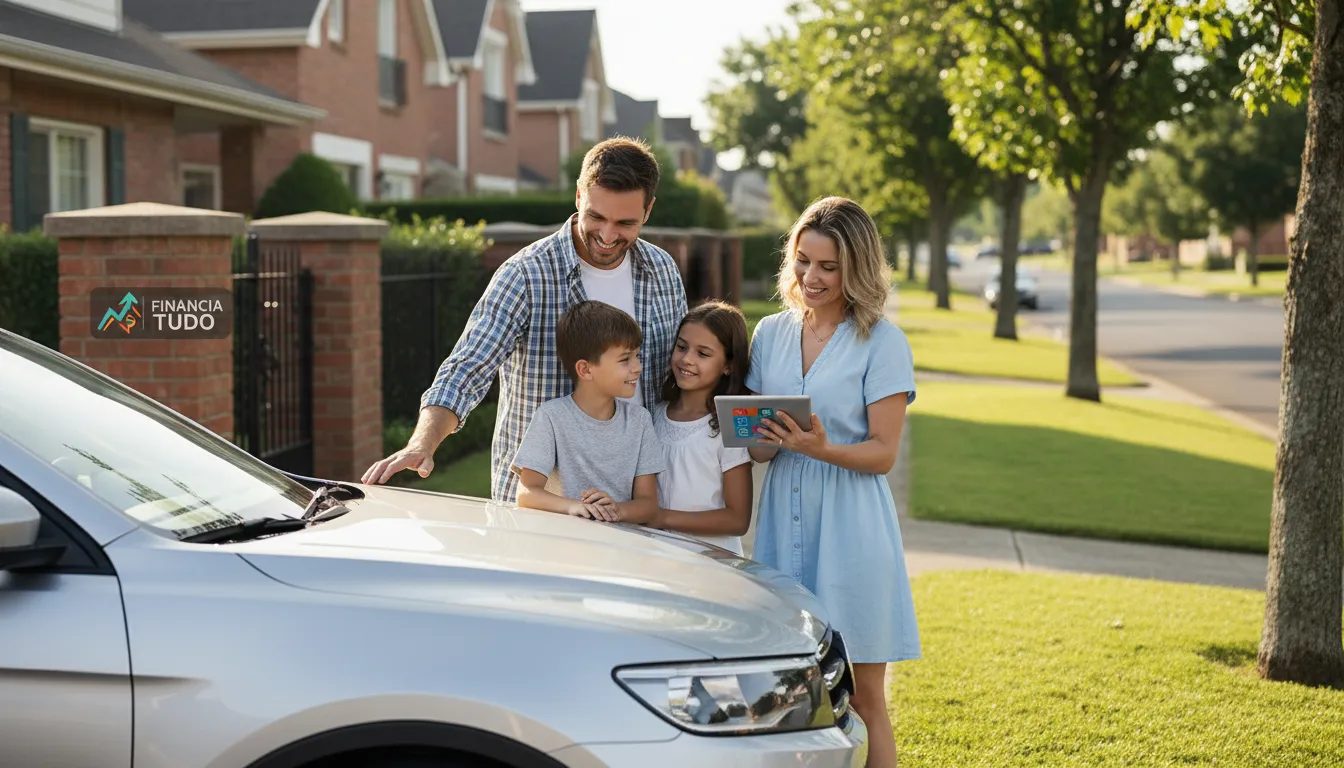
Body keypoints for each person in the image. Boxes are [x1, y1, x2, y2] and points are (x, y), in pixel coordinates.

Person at [360, 137, 688, 503]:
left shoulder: (662, 271)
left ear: (648, 211)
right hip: (544, 505)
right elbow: (468, 367)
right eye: (597, 216)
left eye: (625, 222)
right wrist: (423, 442)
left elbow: (677, 377)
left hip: (637, 501)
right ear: (579, 196)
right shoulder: (526, 274)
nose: (608, 236)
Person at [745, 196, 918, 768]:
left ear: (856, 268)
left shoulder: (882, 341)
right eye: (802, 261)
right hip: (780, 525)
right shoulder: (769, 334)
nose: (811, 277)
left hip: (851, 530)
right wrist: (762, 435)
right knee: (786, 696)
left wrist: (823, 448)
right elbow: (757, 442)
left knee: (865, 700)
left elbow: (884, 452)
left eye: (828, 266)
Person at [615, 300, 754, 555]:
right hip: (655, 560)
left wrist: (661, 517)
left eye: (703, 354)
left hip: (710, 565)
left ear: (728, 365)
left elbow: (738, 519)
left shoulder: (728, 427)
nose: (687, 359)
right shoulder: (652, 416)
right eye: (681, 347)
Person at [510, 300, 664, 519]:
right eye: (625, 359)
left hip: (624, 548)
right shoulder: (551, 417)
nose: (637, 367)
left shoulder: (640, 421)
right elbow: (526, 494)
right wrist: (577, 507)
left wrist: (615, 510)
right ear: (585, 369)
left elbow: (648, 505)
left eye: (637, 356)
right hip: (568, 547)